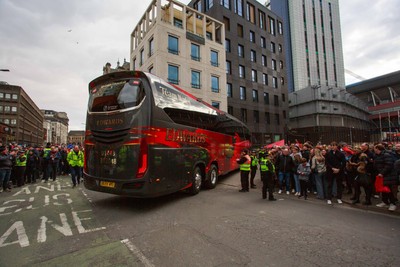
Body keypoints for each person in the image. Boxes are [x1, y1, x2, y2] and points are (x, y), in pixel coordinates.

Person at [373, 144, 398, 211]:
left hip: (388, 175)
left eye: (374, 148)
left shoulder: (386, 155)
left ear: (378, 148)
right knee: (383, 189)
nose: (373, 149)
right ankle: (385, 202)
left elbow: (388, 165)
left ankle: (393, 204)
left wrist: (382, 173)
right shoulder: (377, 155)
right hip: (381, 175)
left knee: (388, 190)